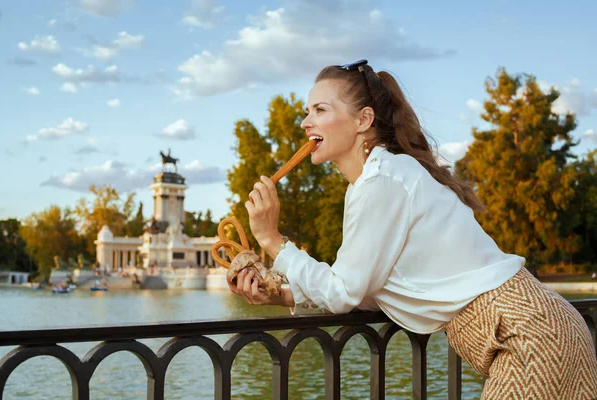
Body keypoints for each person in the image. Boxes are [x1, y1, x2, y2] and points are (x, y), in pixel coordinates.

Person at [227, 60, 597, 399]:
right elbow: (363, 286)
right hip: (541, 327)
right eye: (307, 112)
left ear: (363, 120)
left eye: (320, 110)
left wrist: (272, 240)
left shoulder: (383, 180)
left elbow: (342, 292)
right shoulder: (376, 181)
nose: (306, 122)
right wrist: (284, 295)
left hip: (528, 336)